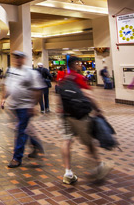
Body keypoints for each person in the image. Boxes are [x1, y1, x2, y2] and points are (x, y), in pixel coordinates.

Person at [58, 56, 112, 185]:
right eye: (79, 63)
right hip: (79, 115)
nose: (80, 65)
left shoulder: (63, 78)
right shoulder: (79, 77)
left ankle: (68, 172)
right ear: (75, 64)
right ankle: (99, 166)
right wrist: (98, 110)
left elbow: (59, 96)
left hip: (65, 114)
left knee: (66, 141)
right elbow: (88, 95)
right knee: (88, 142)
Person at [0, 51, 46, 168]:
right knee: (24, 128)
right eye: (15, 58)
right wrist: (3, 98)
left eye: (19, 58)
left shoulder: (30, 73)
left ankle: (17, 158)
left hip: (25, 106)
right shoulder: (11, 71)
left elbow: (37, 90)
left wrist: (33, 105)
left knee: (20, 130)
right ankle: (35, 145)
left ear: (24, 59)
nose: (17, 60)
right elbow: (7, 85)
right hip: (14, 105)